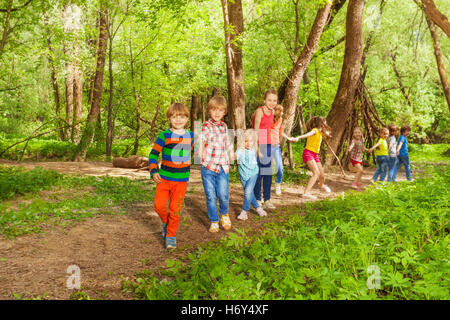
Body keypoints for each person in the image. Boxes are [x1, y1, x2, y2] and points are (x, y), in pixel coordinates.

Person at [149, 103, 194, 249]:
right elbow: (153, 154)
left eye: (182, 116)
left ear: (187, 118)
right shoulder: (165, 135)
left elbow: (194, 152)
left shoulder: (191, 136)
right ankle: (166, 223)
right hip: (164, 179)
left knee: (175, 209)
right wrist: (153, 170)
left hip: (181, 181)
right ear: (169, 118)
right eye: (174, 117)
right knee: (159, 206)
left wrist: (190, 159)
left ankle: (171, 235)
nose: (178, 120)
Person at [198, 95, 235, 233]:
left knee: (223, 193)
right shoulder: (206, 126)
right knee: (211, 195)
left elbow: (228, 143)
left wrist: (231, 154)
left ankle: (224, 215)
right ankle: (214, 220)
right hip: (208, 166)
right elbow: (201, 138)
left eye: (220, 110)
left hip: (222, 166)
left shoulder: (224, 126)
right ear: (209, 111)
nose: (217, 113)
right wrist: (200, 150)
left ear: (224, 111)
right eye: (214, 110)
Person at [293, 116, 332, 200]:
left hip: (315, 155)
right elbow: (308, 135)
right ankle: (306, 193)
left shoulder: (321, 132)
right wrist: (299, 137)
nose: (325, 123)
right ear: (321, 123)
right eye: (324, 122)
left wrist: (327, 134)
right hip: (308, 153)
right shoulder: (315, 130)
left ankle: (321, 185)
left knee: (322, 176)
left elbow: (327, 134)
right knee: (316, 173)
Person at [252, 89, 277, 209]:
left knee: (268, 173)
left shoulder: (272, 112)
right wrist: (256, 147)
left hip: (267, 143)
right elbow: (256, 130)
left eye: (274, 100)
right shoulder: (259, 111)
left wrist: (270, 146)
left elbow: (268, 129)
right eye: (269, 100)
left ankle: (267, 200)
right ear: (264, 100)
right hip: (257, 143)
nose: (272, 103)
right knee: (259, 173)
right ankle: (257, 198)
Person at [236, 130, 268, 220]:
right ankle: (258, 208)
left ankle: (244, 212)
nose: (248, 143)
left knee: (247, 192)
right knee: (249, 193)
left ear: (254, 141)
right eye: (246, 141)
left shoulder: (254, 149)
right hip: (243, 175)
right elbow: (235, 155)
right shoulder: (240, 150)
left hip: (253, 173)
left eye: (250, 141)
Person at [271, 104, 297, 195]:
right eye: (280, 111)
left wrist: (289, 138)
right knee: (265, 168)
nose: (282, 113)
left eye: (282, 111)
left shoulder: (280, 120)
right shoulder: (267, 119)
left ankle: (277, 184)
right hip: (265, 146)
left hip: (275, 147)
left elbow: (280, 132)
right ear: (275, 111)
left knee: (280, 168)